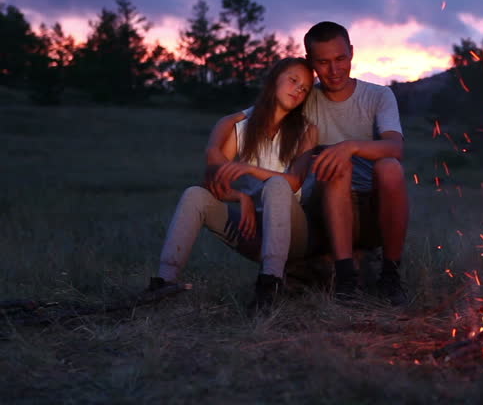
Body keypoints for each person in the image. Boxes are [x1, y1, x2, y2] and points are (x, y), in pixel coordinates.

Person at [206, 21, 409, 305]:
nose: (334, 70)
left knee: (390, 167)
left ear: (351, 52)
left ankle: (391, 274)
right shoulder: (304, 95)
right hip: (322, 208)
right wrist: (215, 152)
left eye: (341, 59)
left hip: (371, 209)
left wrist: (349, 146)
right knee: (336, 168)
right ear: (310, 61)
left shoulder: (378, 96)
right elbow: (243, 117)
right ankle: (345, 277)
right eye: (323, 62)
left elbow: (395, 147)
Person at [146, 57, 318, 310]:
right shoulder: (239, 125)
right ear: (273, 79)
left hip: (294, 234)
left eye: (304, 89)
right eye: (293, 80)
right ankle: (163, 283)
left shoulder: (306, 130)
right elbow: (214, 175)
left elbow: (294, 182)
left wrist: (249, 169)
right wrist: (241, 197)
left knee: (277, 185)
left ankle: (269, 286)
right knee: (195, 194)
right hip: (253, 230)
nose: (298, 90)